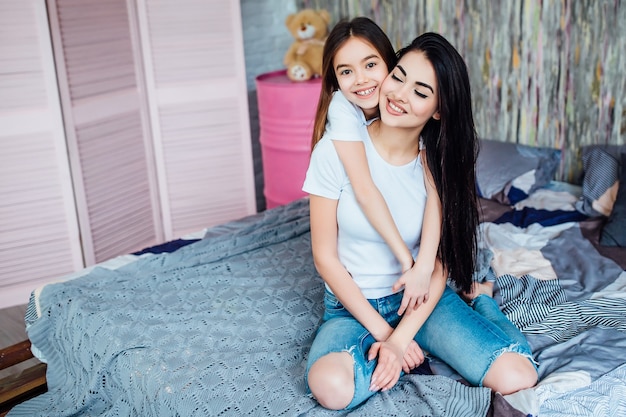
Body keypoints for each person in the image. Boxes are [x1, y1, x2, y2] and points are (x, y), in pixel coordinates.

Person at [302, 29, 538, 410]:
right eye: (399, 77)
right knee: (330, 387)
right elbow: (325, 259)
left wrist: (400, 339)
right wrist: (386, 335)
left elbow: (438, 262)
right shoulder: (335, 150)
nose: (398, 95)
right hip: (352, 307)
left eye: (421, 91)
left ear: (439, 109)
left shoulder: (436, 164)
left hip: (421, 301)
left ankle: (484, 302)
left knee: (517, 375)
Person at [311, 17, 442, 313]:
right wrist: (410, 263)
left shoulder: (418, 134)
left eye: (371, 65)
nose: (360, 80)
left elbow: (438, 198)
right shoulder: (343, 112)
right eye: (346, 71)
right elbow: (365, 189)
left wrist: (424, 269)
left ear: (390, 64)